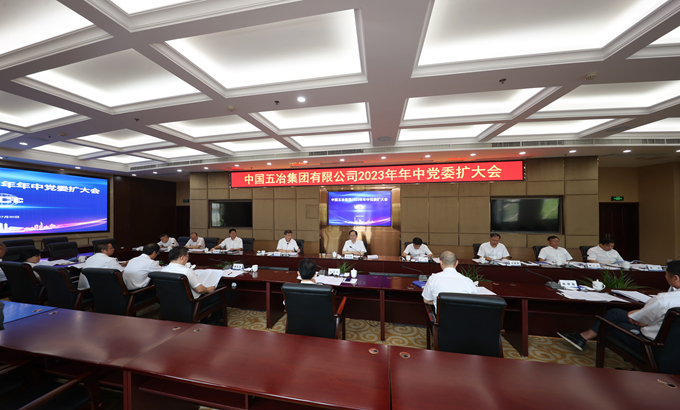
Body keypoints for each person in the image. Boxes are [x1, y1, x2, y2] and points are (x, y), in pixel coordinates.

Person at [557, 260, 680, 352]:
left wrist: (637, 314)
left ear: (675, 278)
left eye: (666, 273)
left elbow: (638, 321)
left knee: (611, 322)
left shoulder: (663, 299)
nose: (664, 276)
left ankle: (582, 338)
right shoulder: (666, 299)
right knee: (615, 314)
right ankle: (581, 337)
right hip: (674, 344)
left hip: (650, 344)